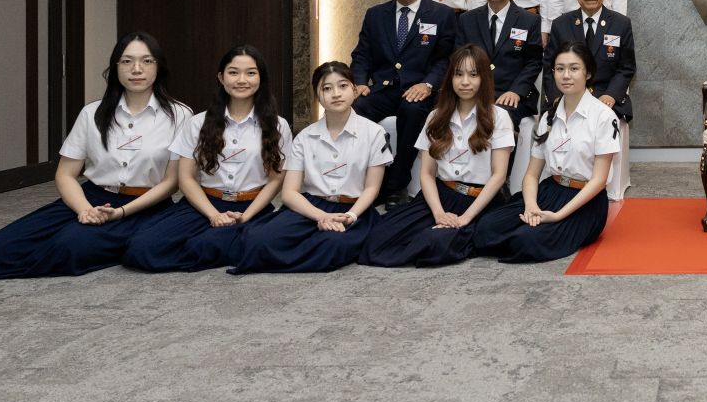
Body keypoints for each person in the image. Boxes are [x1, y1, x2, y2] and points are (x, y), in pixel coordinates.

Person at [0, 33, 187, 279]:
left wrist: (121, 212)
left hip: (146, 205)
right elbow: (66, 174)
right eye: (126, 61)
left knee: (68, 246)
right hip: (91, 196)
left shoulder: (179, 116)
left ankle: (125, 239)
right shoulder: (92, 113)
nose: (136, 69)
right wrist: (84, 210)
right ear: (115, 67)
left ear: (158, 67)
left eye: (146, 61)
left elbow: (171, 183)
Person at [123, 44, 293, 271]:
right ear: (221, 78)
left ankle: (221, 241)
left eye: (251, 73)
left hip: (252, 205)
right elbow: (186, 178)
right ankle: (224, 244)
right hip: (204, 203)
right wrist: (214, 215)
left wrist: (246, 216)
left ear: (261, 78)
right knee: (141, 247)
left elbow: (275, 180)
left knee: (207, 245)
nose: (242, 80)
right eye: (233, 72)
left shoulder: (278, 125)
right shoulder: (197, 123)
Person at [359, 45, 515, 268]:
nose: (465, 82)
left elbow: (498, 176)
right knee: (379, 238)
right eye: (458, 74)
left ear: (484, 78)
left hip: (479, 199)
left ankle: (466, 235)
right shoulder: (436, 116)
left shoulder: (498, 117)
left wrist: (465, 218)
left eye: (473, 75)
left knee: (433, 242)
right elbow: (427, 174)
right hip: (441, 195)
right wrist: (439, 213)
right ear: (450, 78)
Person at [229, 62, 392, 273]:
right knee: (259, 239)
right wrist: (321, 216)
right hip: (310, 207)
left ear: (354, 90)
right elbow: (289, 193)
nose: (336, 94)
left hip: (352, 209)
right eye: (327, 88)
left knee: (332, 245)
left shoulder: (374, 133)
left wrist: (350, 216)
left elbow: (372, 188)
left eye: (343, 86)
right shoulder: (305, 137)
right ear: (317, 96)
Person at [471, 42, 618, 262]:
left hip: (585, 200)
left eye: (574, 68)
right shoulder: (549, 116)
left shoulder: (604, 116)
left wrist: (557, 216)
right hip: (550, 191)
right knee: (486, 228)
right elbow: (532, 174)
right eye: (560, 69)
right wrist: (531, 206)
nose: (566, 75)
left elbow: (599, 180)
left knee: (526, 241)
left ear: (588, 73)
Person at [350, 0, 457, 197]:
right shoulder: (376, 14)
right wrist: (360, 82)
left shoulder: (441, 14)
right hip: (383, 89)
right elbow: (362, 54)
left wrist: (428, 84)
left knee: (412, 111)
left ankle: (395, 185)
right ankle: (354, 178)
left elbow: (446, 59)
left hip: (420, 91)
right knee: (354, 109)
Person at [454, 0, 544, 129]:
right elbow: (458, 60)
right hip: (473, 92)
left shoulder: (529, 20)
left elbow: (534, 62)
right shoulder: (467, 20)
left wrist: (516, 91)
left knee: (498, 118)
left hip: (513, 94)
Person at [545, 0, 635, 123]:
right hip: (569, 97)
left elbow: (626, 67)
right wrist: (557, 97)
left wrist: (611, 95)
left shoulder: (621, 24)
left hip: (606, 98)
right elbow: (549, 67)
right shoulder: (561, 24)